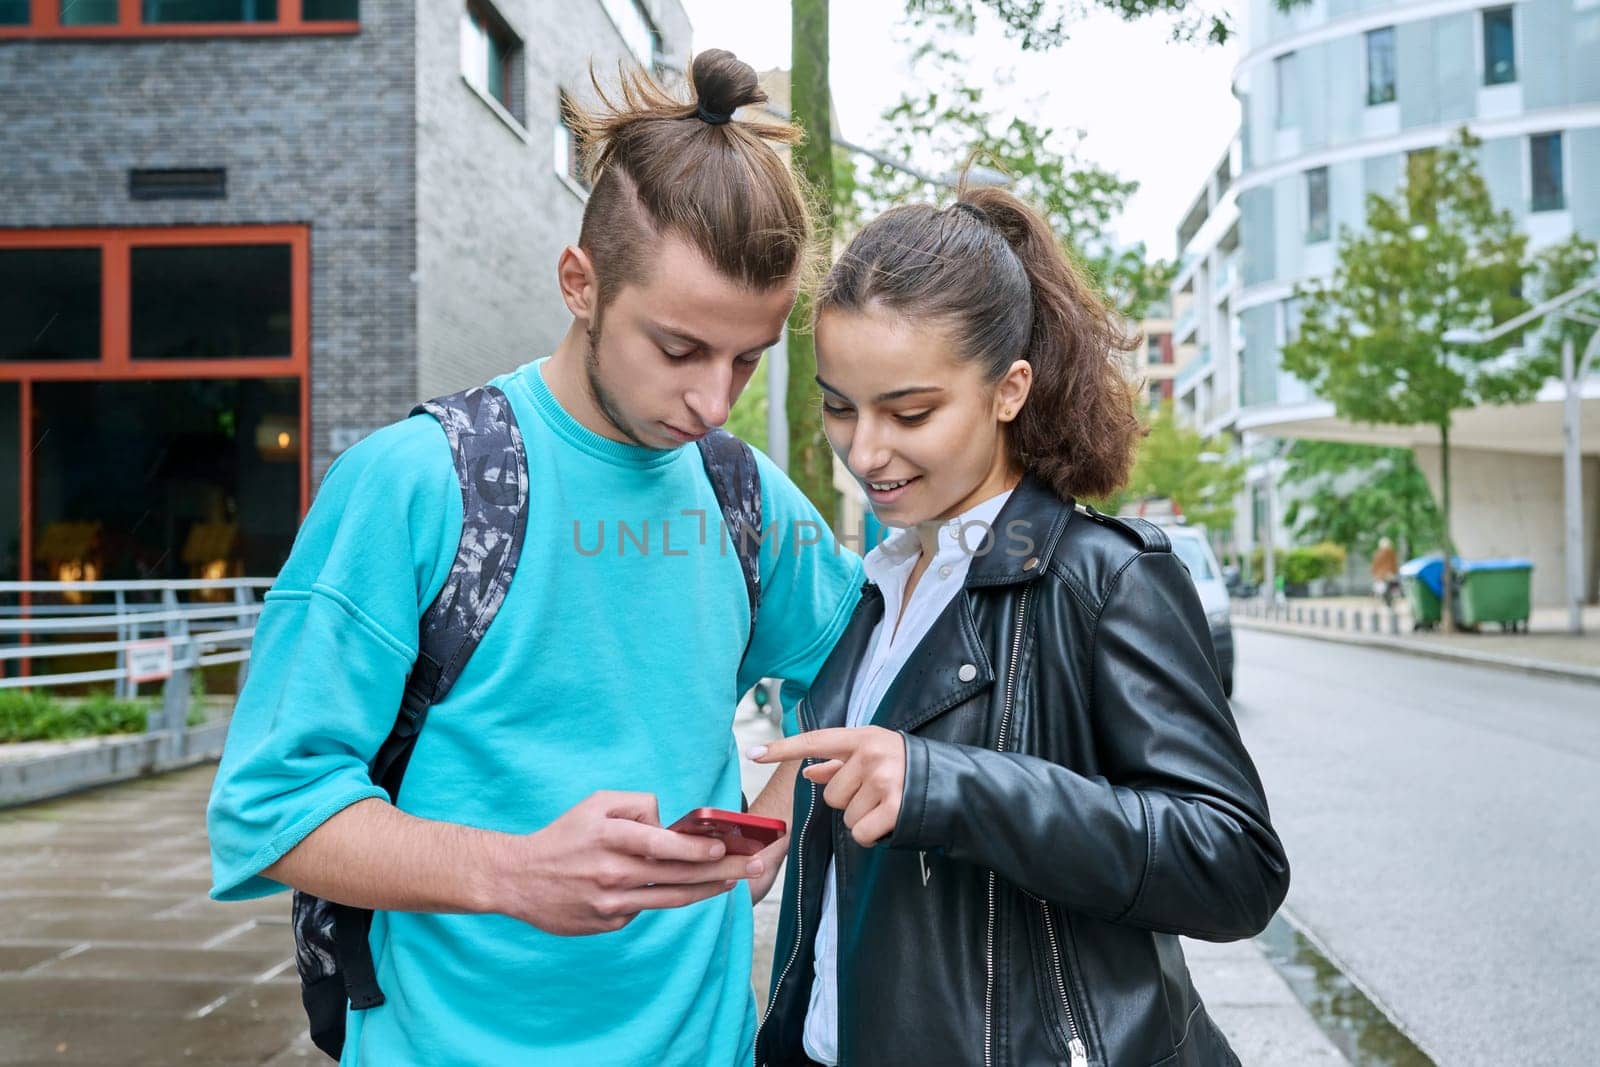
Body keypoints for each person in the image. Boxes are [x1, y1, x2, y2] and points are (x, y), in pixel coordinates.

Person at [206, 51, 863, 1066]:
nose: (712, 402)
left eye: (749, 358)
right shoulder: (414, 483)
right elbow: (271, 808)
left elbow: (870, 661)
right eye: (679, 348)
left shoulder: (746, 497)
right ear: (580, 283)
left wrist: (776, 816)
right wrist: (511, 870)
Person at [749, 187, 1290, 1067]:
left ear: (1008, 390)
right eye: (840, 406)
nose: (865, 450)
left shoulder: (1105, 577)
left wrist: (952, 785)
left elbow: (1235, 865)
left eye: (910, 412)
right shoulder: (875, 585)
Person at [1372, 535, 1400, 607]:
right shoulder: (1391, 552)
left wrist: (1375, 574)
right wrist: (1394, 571)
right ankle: (1391, 601)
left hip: (1380, 575)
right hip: (1389, 574)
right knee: (1393, 587)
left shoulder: (1377, 554)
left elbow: (1374, 566)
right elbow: (1394, 564)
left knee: (1382, 589)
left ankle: (1383, 600)